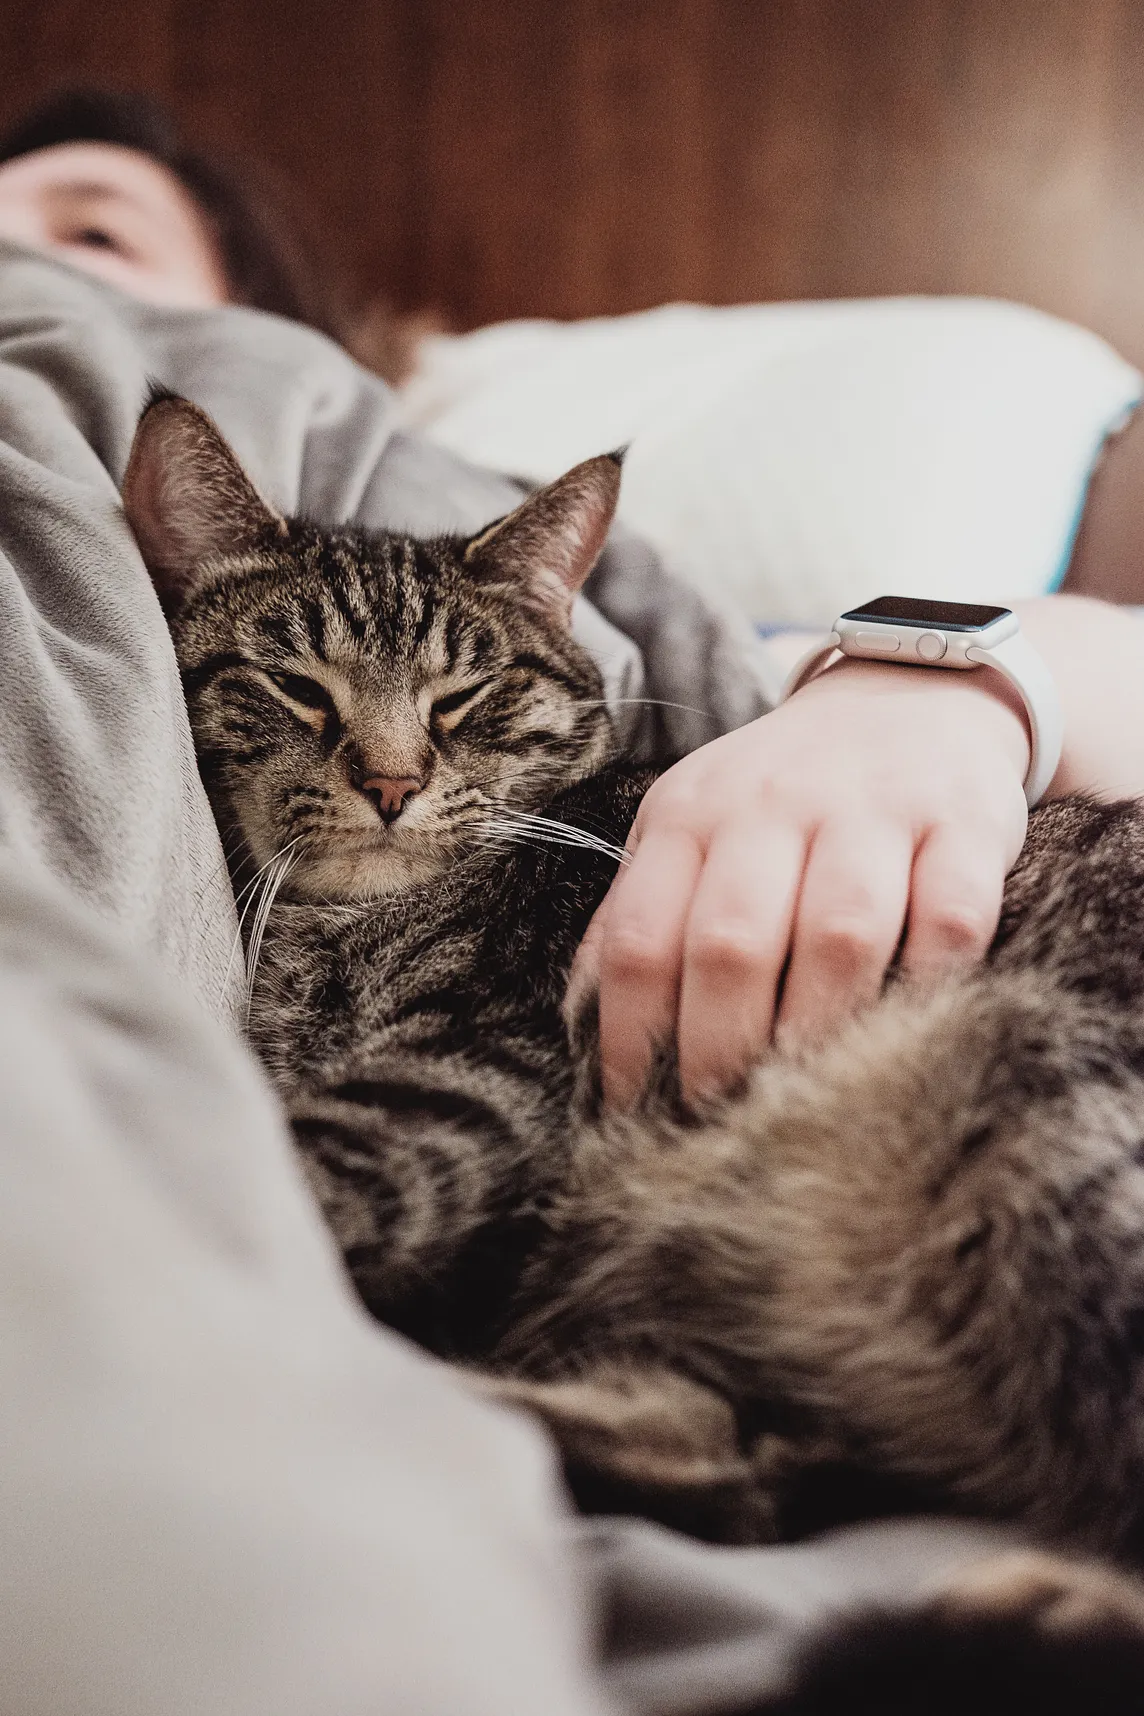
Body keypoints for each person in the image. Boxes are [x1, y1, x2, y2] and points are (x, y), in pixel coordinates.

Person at [0, 85, 1142, 1714]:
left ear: (255, 308)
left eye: (93, 225)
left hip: (962, 1059)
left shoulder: (594, 687)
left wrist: (943, 681)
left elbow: (1109, 665)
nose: (395, 776)